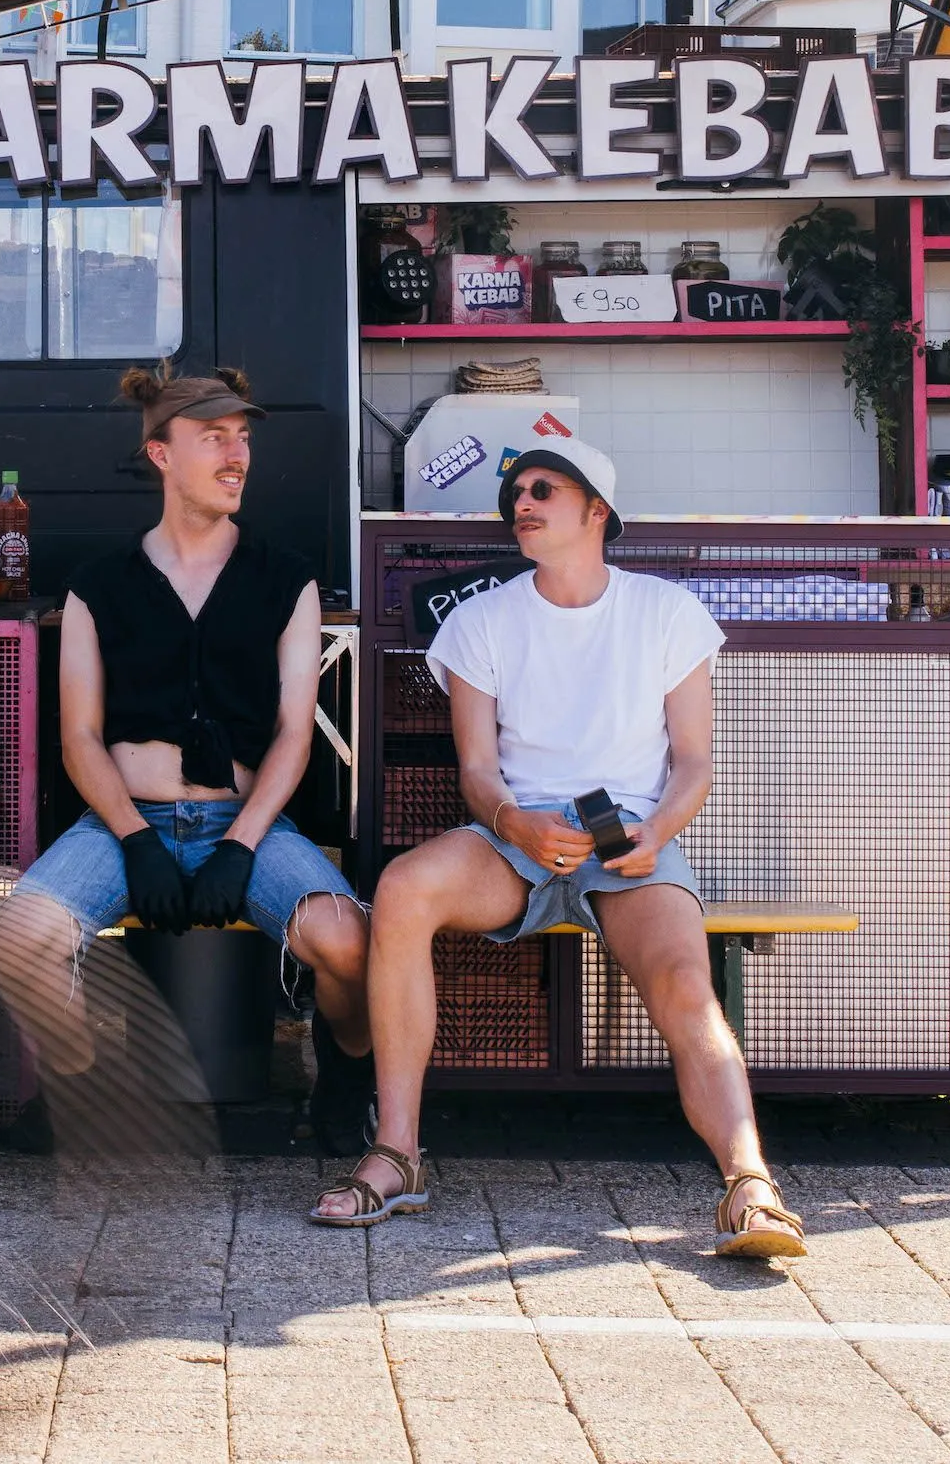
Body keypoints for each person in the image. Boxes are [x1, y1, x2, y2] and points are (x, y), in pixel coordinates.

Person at [312, 436, 802, 1255]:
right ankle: (397, 1155)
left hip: (631, 846)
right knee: (402, 887)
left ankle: (751, 1185)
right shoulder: (482, 619)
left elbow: (694, 764)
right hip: (516, 840)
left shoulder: (665, 612)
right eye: (515, 496)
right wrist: (515, 823)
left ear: (597, 509)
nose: (523, 504)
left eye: (544, 488)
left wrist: (659, 834)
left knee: (687, 978)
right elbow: (476, 773)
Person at [0, 366, 375, 1150]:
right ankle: (80, 1091)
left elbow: (295, 735)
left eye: (243, 438)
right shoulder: (98, 584)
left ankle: (342, 1075)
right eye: (214, 438)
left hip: (247, 822)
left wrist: (239, 845)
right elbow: (80, 738)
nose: (237, 456)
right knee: (16, 939)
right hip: (122, 822)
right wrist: (135, 837)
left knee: (346, 940)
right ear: (161, 453)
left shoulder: (286, 578)